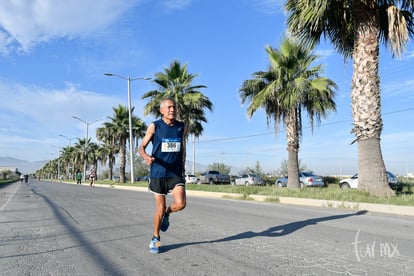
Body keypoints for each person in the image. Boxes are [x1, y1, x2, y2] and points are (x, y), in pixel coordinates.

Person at [138, 98, 186, 254]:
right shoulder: (155, 126)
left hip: (175, 173)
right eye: (169, 107)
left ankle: (167, 213)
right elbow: (141, 147)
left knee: (181, 204)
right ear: (162, 110)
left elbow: (181, 148)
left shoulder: (181, 126)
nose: (172, 109)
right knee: (159, 209)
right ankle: (155, 238)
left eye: (174, 107)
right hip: (158, 173)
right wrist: (146, 157)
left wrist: (182, 165)